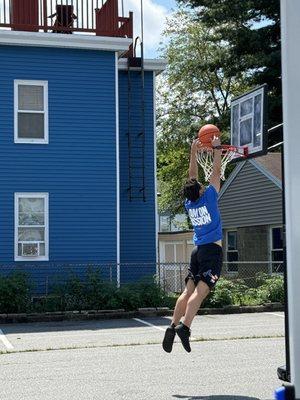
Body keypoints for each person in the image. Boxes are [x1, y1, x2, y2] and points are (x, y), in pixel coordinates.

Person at [162, 135, 223, 353]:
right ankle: (185, 327)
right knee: (201, 291)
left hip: (196, 251)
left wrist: (193, 151)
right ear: (199, 190)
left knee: (187, 292)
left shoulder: (190, 202)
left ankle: (171, 326)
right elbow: (215, 173)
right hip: (211, 251)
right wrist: (216, 149)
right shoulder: (209, 197)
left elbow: (191, 176)